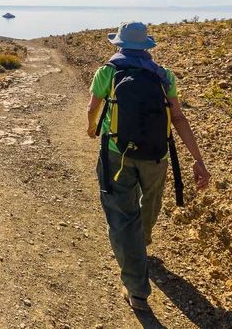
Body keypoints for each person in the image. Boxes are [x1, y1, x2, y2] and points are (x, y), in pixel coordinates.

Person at [86, 21, 211, 312]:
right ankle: (141, 243)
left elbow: (92, 108)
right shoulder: (164, 76)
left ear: (118, 45)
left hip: (117, 153)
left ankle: (137, 288)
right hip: (157, 155)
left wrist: (93, 129)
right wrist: (198, 160)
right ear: (147, 47)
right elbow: (178, 119)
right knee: (149, 204)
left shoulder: (107, 72)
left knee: (121, 216)